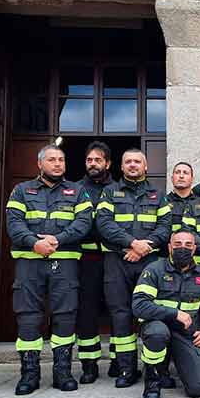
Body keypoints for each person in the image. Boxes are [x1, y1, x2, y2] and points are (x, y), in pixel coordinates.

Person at [5, 143, 92, 395]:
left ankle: (62, 372)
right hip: (29, 263)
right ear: (39, 164)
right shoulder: (21, 191)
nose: (57, 164)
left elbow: (84, 223)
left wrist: (57, 240)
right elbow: (14, 223)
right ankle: (29, 375)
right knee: (28, 316)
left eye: (61, 160)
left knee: (65, 316)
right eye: (52, 160)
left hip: (64, 262)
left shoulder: (78, 191)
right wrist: (35, 243)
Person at [95, 149, 171, 389]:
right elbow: (104, 224)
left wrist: (143, 247)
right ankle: (127, 369)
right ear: (121, 166)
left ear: (145, 167)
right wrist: (131, 243)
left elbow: (165, 227)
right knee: (121, 315)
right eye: (128, 161)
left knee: (151, 313)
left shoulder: (158, 195)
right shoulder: (109, 193)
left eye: (137, 161)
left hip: (149, 263)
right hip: (118, 261)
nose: (132, 165)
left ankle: (155, 368)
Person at [132, 230, 200, 398]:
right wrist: (174, 313)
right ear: (169, 247)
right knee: (157, 333)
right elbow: (139, 305)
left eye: (188, 245)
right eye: (177, 244)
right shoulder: (154, 269)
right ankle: (153, 380)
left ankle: (172, 366)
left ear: (194, 249)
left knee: (199, 388)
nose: (182, 248)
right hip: (158, 326)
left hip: (185, 332)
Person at [75, 141, 115, 383]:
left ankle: (119, 360)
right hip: (87, 259)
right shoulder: (76, 189)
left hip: (113, 257)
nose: (93, 164)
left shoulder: (119, 189)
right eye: (90, 160)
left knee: (116, 308)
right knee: (86, 310)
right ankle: (89, 364)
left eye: (98, 160)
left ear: (107, 163)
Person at [165, 161, 197, 236]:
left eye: (185, 173)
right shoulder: (163, 202)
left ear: (192, 179)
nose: (181, 176)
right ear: (172, 178)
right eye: (177, 172)